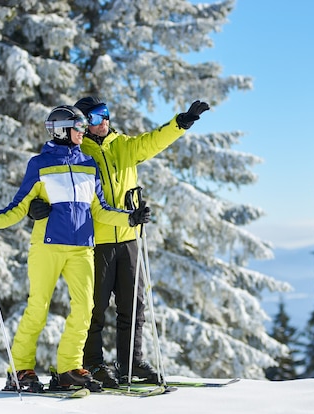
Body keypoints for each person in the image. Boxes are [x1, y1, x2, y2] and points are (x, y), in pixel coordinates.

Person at [0, 105, 151, 393]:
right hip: (48, 246)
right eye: (78, 127)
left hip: (81, 248)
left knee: (85, 308)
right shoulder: (40, 164)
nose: (83, 131)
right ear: (63, 130)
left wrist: (129, 218)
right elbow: (19, 207)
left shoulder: (88, 164)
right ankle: (20, 369)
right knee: (38, 307)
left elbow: (100, 210)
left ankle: (69, 368)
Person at [29, 97, 209, 388]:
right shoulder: (77, 152)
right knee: (94, 308)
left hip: (128, 237)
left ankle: (130, 363)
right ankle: (93, 364)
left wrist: (181, 123)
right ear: (83, 123)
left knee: (133, 305)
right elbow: (49, 184)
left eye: (106, 114)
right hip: (95, 241)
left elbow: (153, 141)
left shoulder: (123, 145)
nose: (105, 120)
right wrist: (33, 207)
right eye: (97, 116)